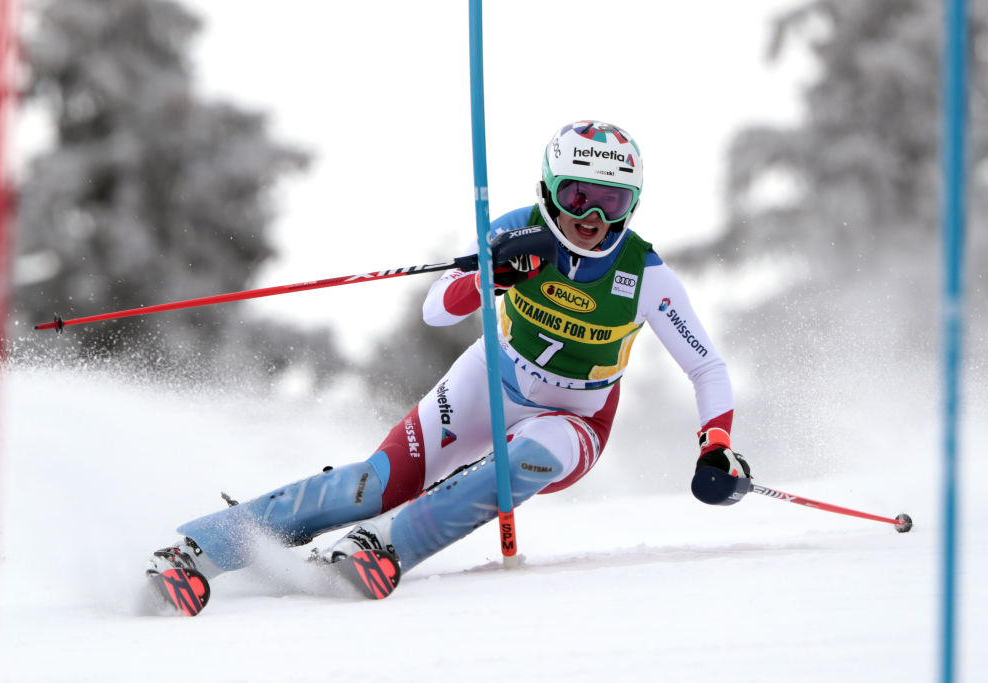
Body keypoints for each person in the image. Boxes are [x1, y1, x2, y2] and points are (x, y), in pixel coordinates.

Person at [146, 120, 751, 608]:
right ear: (549, 189)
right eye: (577, 197)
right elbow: (438, 309)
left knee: (527, 457)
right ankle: (201, 550)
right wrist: (491, 274)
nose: (591, 221)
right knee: (375, 484)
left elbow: (706, 369)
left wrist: (715, 444)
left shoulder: (644, 276)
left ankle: (384, 547)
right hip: (490, 375)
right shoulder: (515, 229)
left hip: (575, 416)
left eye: (611, 203)